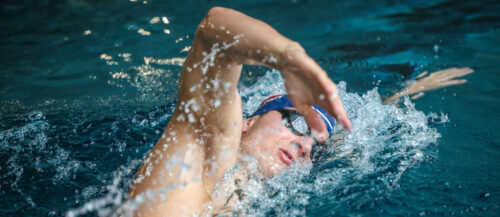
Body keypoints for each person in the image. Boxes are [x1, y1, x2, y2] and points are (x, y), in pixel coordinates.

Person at [125, 7, 473, 217]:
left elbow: (345, 139)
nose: (304, 146)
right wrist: (288, 58)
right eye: (293, 121)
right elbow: (213, 32)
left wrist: (406, 93)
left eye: (315, 150)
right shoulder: (198, 158)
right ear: (246, 123)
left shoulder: (253, 197)